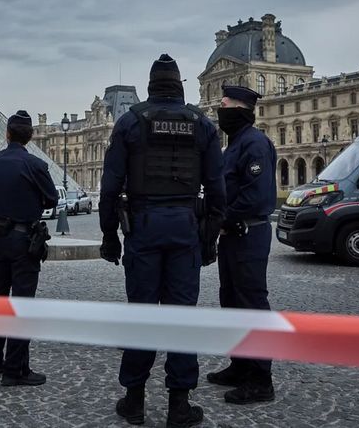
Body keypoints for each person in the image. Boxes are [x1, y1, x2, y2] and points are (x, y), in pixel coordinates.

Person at [99, 54, 226, 427]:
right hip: (186, 225)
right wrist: (210, 237)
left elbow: (109, 188)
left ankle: (134, 400)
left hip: (143, 225)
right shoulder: (202, 124)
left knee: (141, 313)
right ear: (180, 86)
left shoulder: (130, 122)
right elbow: (217, 190)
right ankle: (179, 405)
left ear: (151, 86)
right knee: (181, 315)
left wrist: (109, 235)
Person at [206, 85, 278, 403]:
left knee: (251, 305)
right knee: (231, 302)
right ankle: (240, 364)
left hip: (248, 233)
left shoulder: (255, 144)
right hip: (234, 235)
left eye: (224, 104)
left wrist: (224, 216)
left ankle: (261, 380)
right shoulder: (235, 144)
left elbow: (258, 196)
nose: (220, 110)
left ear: (241, 109)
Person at [0, 110, 59, 387]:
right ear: (31, 136)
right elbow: (51, 199)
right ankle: (15, 370)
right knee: (21, 305)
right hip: (25, 240)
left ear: (7, 133)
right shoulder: (35, 164)